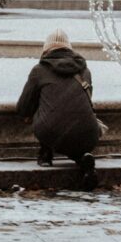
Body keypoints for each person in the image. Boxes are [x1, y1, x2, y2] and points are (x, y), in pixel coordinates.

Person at [16, 29, 102, 188]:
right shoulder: (84, 70)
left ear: (46, 50)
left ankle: (46, 154)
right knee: (71, 127)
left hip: (52, 130)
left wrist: (27, 116)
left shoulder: (39, 70)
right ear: (69, 49)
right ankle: (83, 158)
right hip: (89, 132)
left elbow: (24, 107)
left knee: (46, 112)